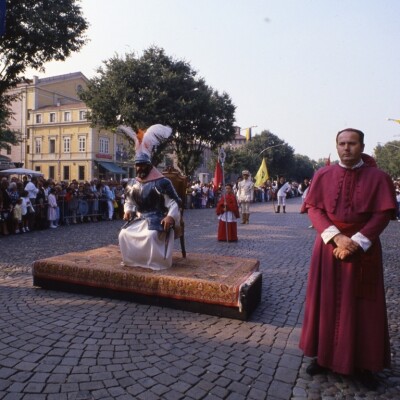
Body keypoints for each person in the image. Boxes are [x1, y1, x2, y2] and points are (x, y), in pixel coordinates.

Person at [299, 128, 397, 390]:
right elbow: (314, 208)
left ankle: (364, 364)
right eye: (342, 143)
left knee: (364, 308)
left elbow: (383, 213)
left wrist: (357, 242)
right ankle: (324, 356)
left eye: (352, 143)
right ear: (336, 145)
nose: (346, 148)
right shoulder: (322, 174)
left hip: (363, 252)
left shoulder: (379, 177)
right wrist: (337, 238)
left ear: (362, 145)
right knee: (326, 302)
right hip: (329, 249)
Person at [118, 152, 181, 270]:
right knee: (123, 234)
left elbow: (174, 202)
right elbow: (129, 202)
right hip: (139, 218)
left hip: (158, 218)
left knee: (151, 235)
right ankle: (132, 261)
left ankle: (154, 262)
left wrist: (170, 217)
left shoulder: (162, 182)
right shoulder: (132, 183)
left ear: (149, 166)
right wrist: (127, 210)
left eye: (142, 165)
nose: (139, 168)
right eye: (137, 165)